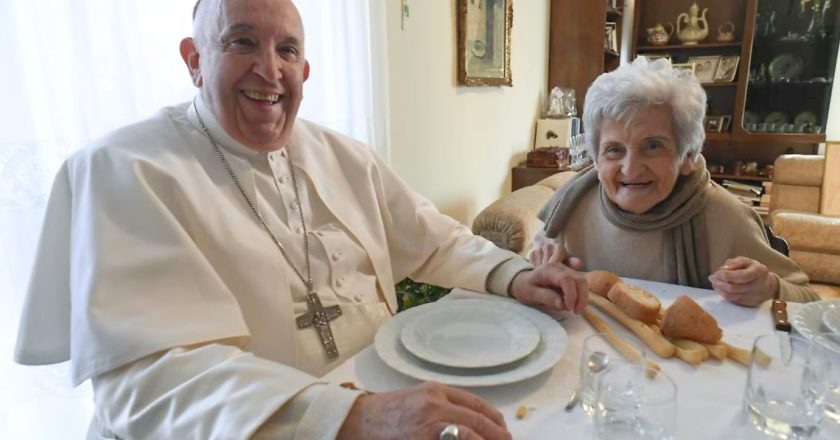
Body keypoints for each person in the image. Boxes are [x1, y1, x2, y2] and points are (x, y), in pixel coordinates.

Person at [14, 0, 587, 438]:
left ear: (305, 68)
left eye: (286, 51)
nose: (270, 70)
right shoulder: (122, 170)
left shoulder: (343, 154)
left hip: (384, 399)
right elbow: (146, 381)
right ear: (194, 60)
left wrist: (513, 275)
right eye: (242, 42)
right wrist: (348, 416)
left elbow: (430, 237)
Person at [529, 57, 819, 306]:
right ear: (596, 158)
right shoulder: (572, 206)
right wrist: (542, 269)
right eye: (614, 150)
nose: (631, 168)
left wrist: (769, 288)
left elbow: (808, 299)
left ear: (687, 155)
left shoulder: (724, 216)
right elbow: (534, 269)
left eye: (653, 146)